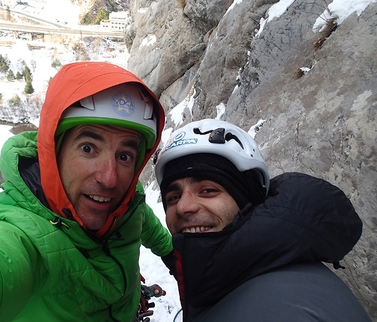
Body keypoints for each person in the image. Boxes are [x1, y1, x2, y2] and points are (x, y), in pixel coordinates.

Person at [0, 61, 173, 321]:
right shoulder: (18, 232)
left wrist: (170, 252)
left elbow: (140, 216)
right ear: (53, 152)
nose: (109, 179)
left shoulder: (125, 203)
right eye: (88, 148)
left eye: (124, 155)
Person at [154, 119, 371, 322]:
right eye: (173, 197)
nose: (183, 207)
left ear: (248, 199)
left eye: (208, 190)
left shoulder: (284, 308)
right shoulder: (241, 274)